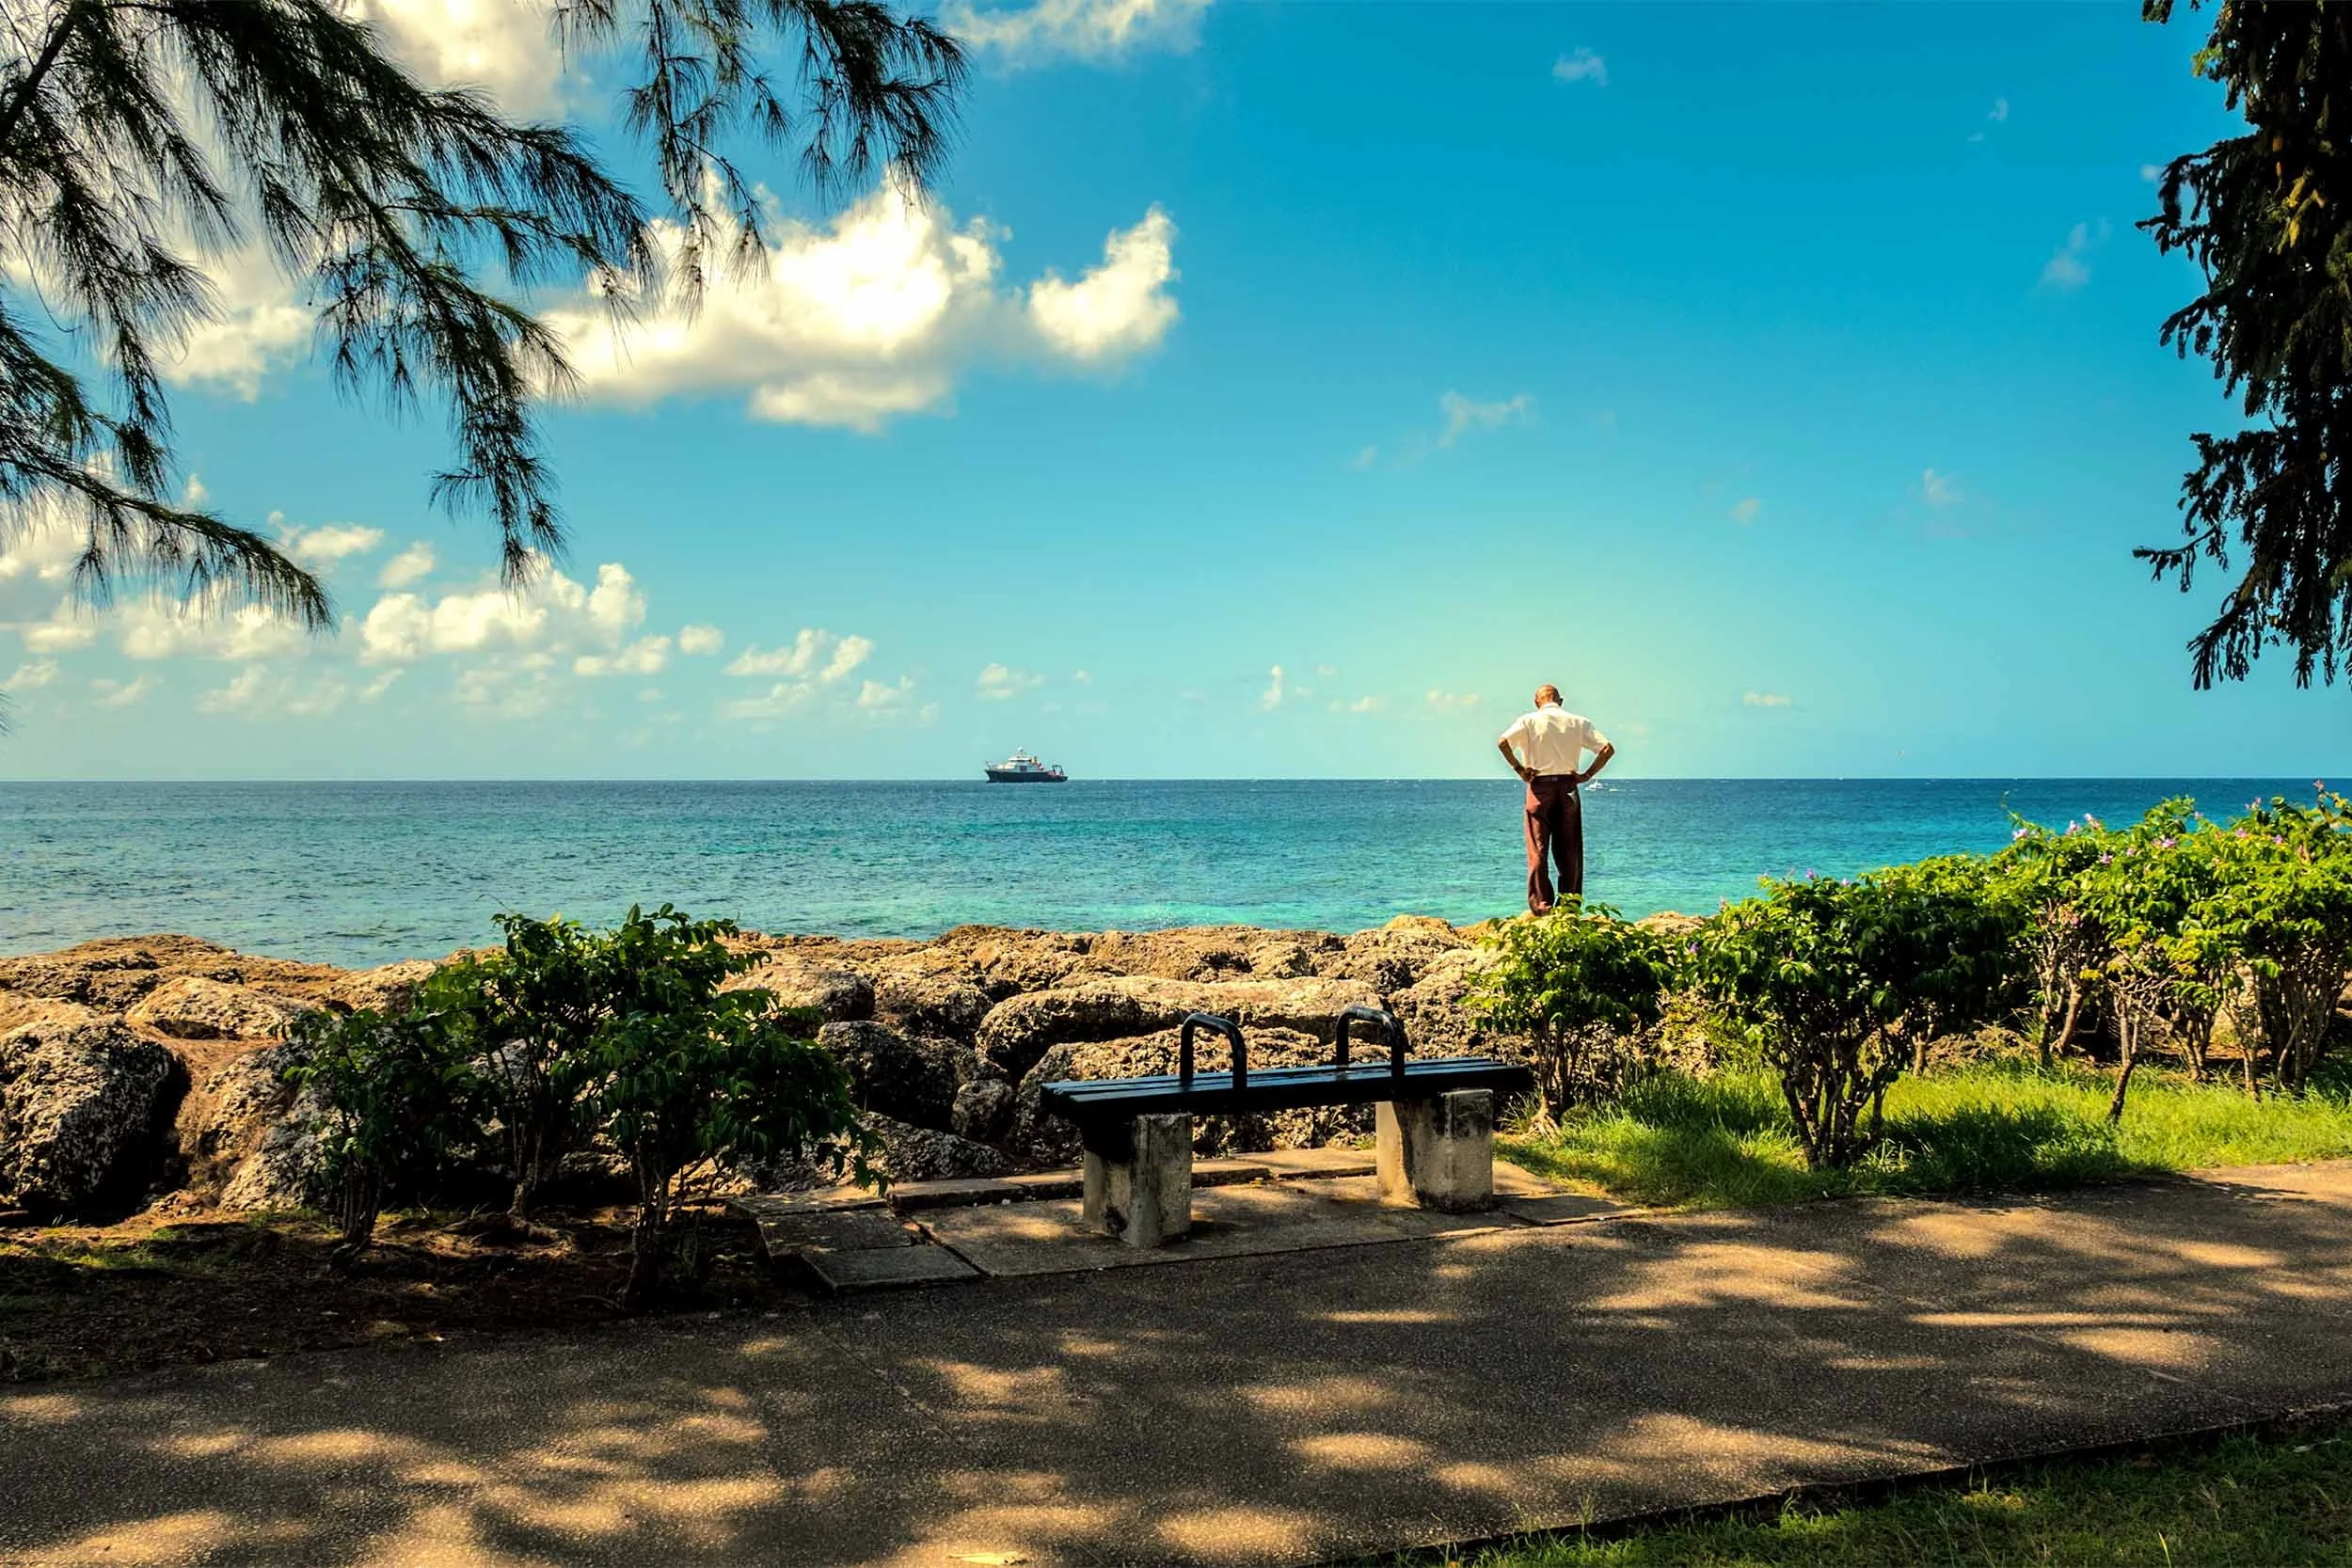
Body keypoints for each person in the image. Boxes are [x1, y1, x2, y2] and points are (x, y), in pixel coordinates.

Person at [1496, 685, 1614, 914]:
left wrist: (1519, 769)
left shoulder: (1528, 721)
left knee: (1538, 847)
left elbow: (1503, 742)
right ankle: (1569, 907)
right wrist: (1587, 775)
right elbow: (1607, 749)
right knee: (1569, 849)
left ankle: (1542, 906)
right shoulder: (1578, 722)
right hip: (1568, 786)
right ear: (1560, 700)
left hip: (1539, 786)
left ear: (1536, 702)